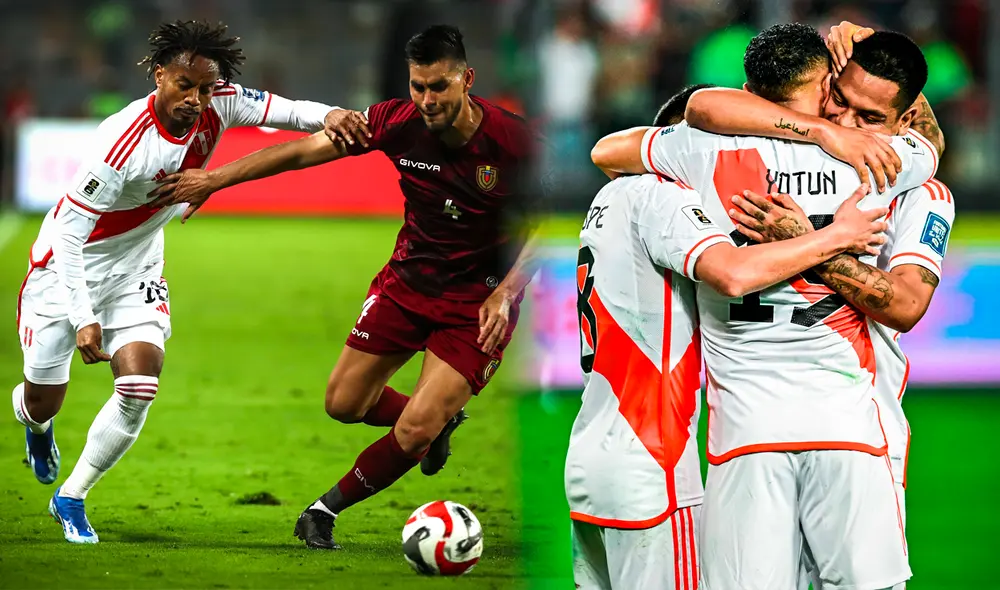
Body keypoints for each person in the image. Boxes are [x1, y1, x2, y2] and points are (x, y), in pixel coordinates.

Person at [146, 25, 544, 550]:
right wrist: (214, 180)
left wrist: (508, 291)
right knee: (344, 403)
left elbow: (552, 222)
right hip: (407, 284)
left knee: (414, 433)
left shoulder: (514, 141)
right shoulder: (395, 122)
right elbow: (299, 153)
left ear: (466, 80)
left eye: (439, 87)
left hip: (477, 304)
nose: (427, 100)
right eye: (418, 87)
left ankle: (323, 510)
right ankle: (438, 421)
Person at [589, 23, 937, 589]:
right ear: (828, 81)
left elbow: (614, 148)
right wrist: (874, 64)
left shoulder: (698, 153)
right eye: (837, 97)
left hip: (745, 434)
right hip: (848, 427)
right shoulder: (882, 161)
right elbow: (929, 141)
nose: (842, 117)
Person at [13, 19, 341, 544]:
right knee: (42, 400)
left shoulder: (220, 102)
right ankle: (35, 425)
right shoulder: (121, 145)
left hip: (137, 264)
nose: (195, 99)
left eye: (205, 89)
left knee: (140, 383)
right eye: (184, 85)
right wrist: (84, 318)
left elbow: (292, 112)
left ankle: (70, 497)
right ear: (159, 75)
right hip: (65, 272)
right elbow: (69, 239)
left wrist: (336, 116)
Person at [711, 21, 953, 590]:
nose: (846, 125)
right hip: (772, 426)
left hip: (865, 427)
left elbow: (906, 304)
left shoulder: (917, 189)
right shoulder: (775, 153)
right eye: (839, 102)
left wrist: (804, 245)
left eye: (870, 119)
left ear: (904, 123)